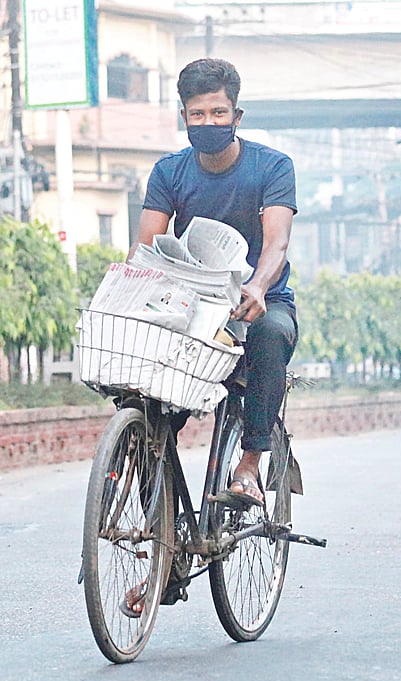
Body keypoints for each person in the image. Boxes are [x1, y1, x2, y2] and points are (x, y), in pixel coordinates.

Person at [133, 58, 298, 511]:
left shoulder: (273, 167)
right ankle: (160, 535)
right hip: (191, 303)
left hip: (260, 301)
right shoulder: (169, 172)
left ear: (236, 117)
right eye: (198, 114)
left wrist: (259, 287)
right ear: (184, 117)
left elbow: (276, 242)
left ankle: (249, 463)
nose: (208, 122)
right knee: (144, 406)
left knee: (270, 334)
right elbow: (145, 249)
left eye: (218, 113)